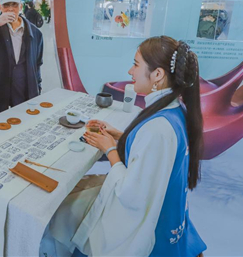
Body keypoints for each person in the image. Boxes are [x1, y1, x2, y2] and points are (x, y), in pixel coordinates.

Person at [43, 36, 206, 257]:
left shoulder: (158, 128)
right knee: (79, 190)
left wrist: (110, 149)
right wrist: (121, 136)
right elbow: (151, 156)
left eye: (136, 64)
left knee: (63, 209)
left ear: (158, 75)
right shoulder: (174, 110)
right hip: (170, 212)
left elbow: (131, 194)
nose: (130, 71)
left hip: (150, 229)